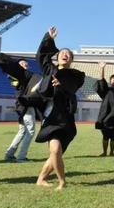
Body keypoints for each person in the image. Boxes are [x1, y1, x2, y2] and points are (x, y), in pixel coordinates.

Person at [34, 26, 85, 190]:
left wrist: (60, 86)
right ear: (57, 56)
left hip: (66, 118)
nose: (65, 54)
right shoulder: (50, 70)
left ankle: (41, 179)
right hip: (51, 116)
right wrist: (49, 38)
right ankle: (62, 181)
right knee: (55, 149)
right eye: (63, 52)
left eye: (68, 54)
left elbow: (70, 88)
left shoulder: (77, 75)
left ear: (72, 60)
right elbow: (40, 56)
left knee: (56, 153)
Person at [0, 53, 42, 162]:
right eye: (23, 64)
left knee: (22, 131)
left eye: (27, 64)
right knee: (30, 131)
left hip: (22, 105)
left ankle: (9, 154)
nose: (26, 65)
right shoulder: (21, 74)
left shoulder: (22, 76)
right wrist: (0, 60)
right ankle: (21, 157)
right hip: (26, 105)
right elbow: (12, 66)